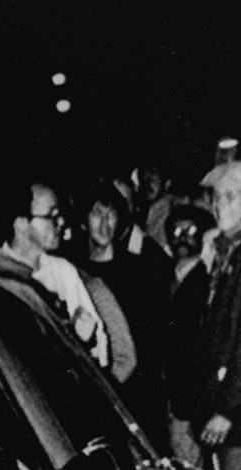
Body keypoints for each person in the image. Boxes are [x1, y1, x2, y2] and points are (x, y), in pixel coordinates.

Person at [82, 183, 169, 443]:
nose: (105, 223)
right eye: (97, 214)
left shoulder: (140, 269)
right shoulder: (75, 273)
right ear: (84, 220)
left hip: (143, 394)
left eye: (112, 215)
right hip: (103, 395)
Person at [4, 181, 109, 366]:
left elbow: (99, 345)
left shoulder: (63, 272)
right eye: (51, 216)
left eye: (59, 215)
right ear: (21, 224)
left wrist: (84, 338)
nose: (60, 222)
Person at [200, 160, 241, 470]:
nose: (221, 206)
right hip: (238, 414)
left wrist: (226, 410)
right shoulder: (229, 251)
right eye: (217, 197)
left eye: (232, 197)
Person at [166, 204, 218, 468]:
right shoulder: (166, 277)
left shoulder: (207, 281)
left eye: (190, 230)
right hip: (171, 397)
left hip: (193, 402)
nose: (182, 236)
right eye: (176, 230)